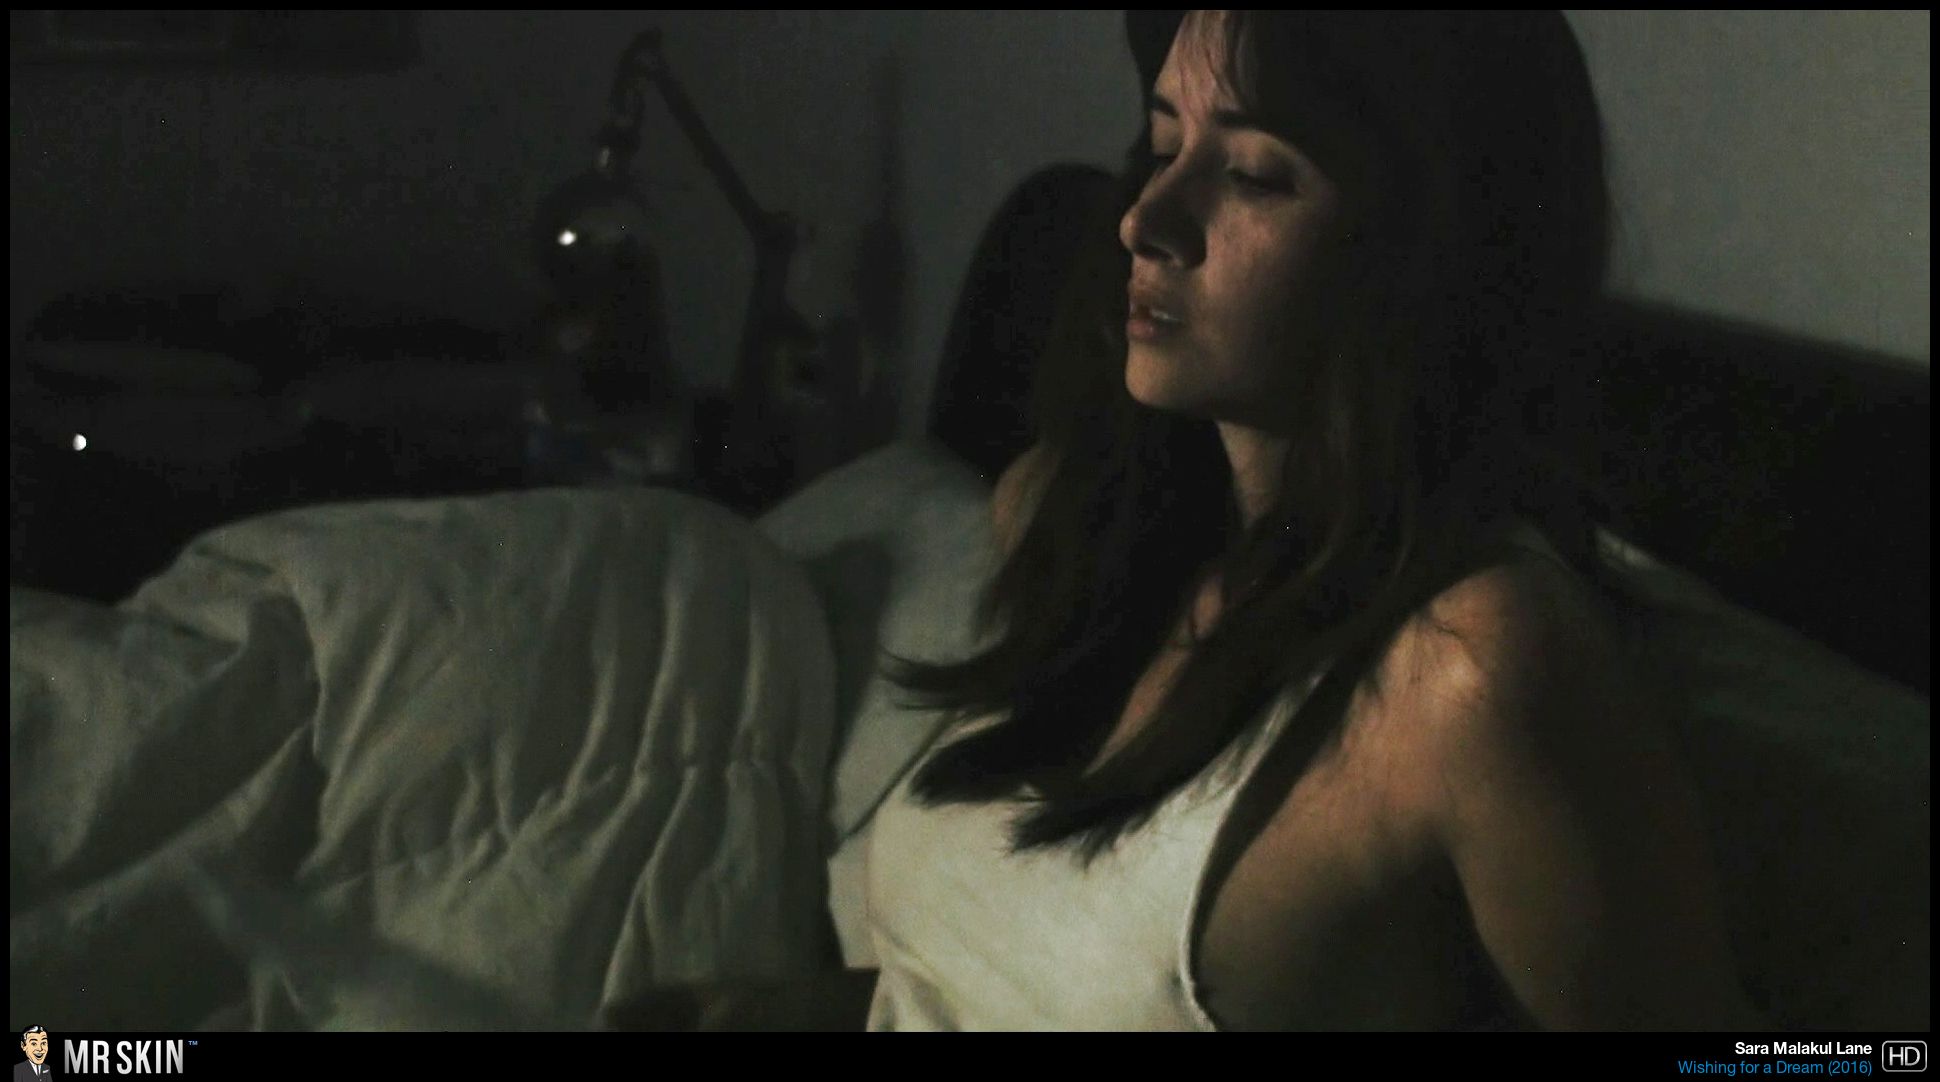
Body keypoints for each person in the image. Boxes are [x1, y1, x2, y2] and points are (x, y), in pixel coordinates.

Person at [604, 10, 1759, 1031]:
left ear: (1429, 245)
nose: (1145, 217)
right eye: (1161, 146)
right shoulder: (1074, 525)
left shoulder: (1470, 667)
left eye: (1252, 173)